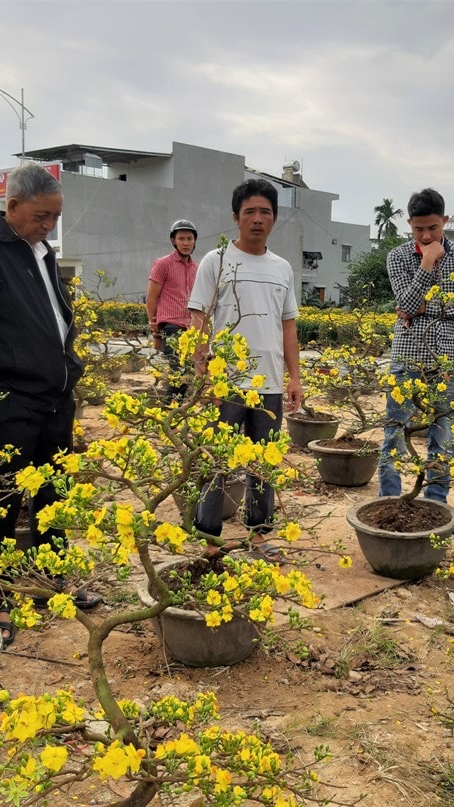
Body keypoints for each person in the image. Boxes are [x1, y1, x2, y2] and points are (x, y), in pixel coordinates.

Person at [0, 162, 100, 644]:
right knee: (2, 500)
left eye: (55, 217)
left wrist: (69, 366)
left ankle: (52, 582)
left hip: (55, 400)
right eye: (41, 216)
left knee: (54, 498)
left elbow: (55, 318)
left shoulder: (41, 253)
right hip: (10, 400)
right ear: (11, 207)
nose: (49, 225)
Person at [187, 178, 303, 555]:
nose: (257, 219)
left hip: (268, 383)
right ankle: (208, 535)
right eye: (249, 211)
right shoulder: (215, 261)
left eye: (265, 212)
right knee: (216, 459)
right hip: (226, 383)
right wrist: (203, 372)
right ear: (236, 217)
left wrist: (295, 377)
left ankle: (259, 534)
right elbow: (198, 319)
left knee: (263, 461)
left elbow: (288, 327)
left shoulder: (283, 268)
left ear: (274, 218)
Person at [378, 188, 454, 534]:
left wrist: (430, 308)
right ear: (409, 224)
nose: (425, 236)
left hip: (447, 360)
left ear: (445, 222)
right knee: (394, 432)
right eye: (418, 229)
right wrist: (426, 263)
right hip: (406, 358)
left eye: (433, 228)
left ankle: (438, 505)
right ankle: (387, 504)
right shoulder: (398, 256)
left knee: (443, 433)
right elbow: (405, 304)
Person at [146, 219, 199, 400]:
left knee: (190, 376)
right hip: (171, 328)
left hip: (191, 330)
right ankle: (168, 417)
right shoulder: (163, 264)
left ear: (194, 241)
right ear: (173, 241)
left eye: (189, 239)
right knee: (178, 376)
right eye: (181, 239)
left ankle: (174, 417)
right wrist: (155, 333)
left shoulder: (196, 268)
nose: (186, 243)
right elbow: (151, 299)